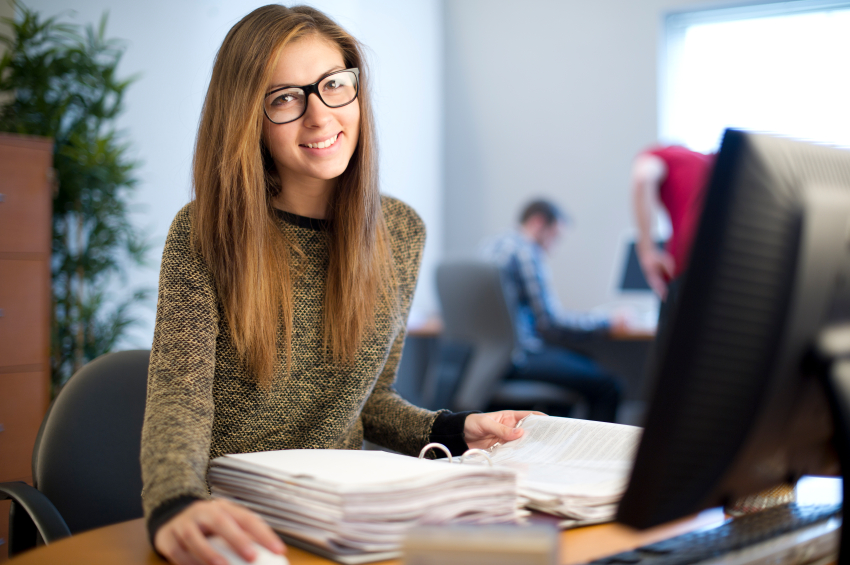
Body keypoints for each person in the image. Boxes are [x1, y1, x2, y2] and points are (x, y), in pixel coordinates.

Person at [140, 6, 535, 565]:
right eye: (284, 99)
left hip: (342, 522)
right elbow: (179, 402)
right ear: (247, 117)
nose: (319, 117)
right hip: (233, 524)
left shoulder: (399, 232)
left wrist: (457, 428)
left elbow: (369, 404)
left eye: (333, 86)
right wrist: (175, 503)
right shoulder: (205, 231)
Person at [481, 199, 623, 423]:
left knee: (581, 360)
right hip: (518, 358)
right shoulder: (526, 251)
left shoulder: (491, 246)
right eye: (555, 237)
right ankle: (593, 454)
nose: (552, 248)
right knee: (608, 386)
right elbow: (551, 322)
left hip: (485, 360)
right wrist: (606, 321)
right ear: (538, 223)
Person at [631, 145, 715, 302]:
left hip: (686, 265)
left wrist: (647, 253)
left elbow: (643, 178)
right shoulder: (712, 162)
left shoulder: (662, 155)